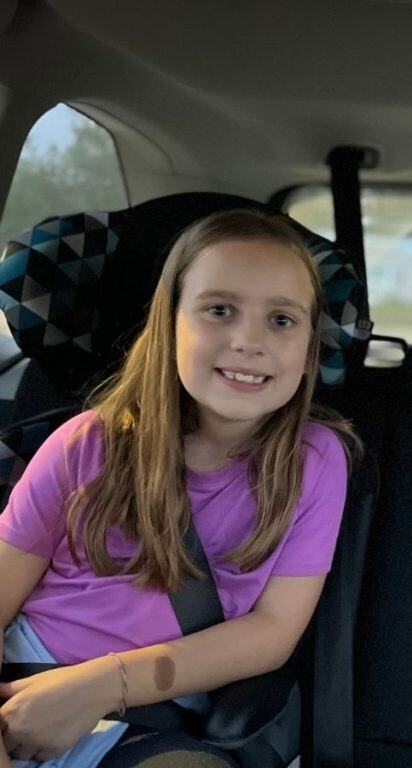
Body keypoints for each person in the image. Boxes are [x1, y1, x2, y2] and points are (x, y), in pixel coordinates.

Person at [0, 209, 357, 767]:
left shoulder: (313, 461)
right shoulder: (85, 443)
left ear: (311, 346)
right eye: (219, 310)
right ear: (169, 324)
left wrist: (100, 687)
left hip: (151, 712)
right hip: (21, 681)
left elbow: (272, 632)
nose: (249, 341)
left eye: (282, 321)